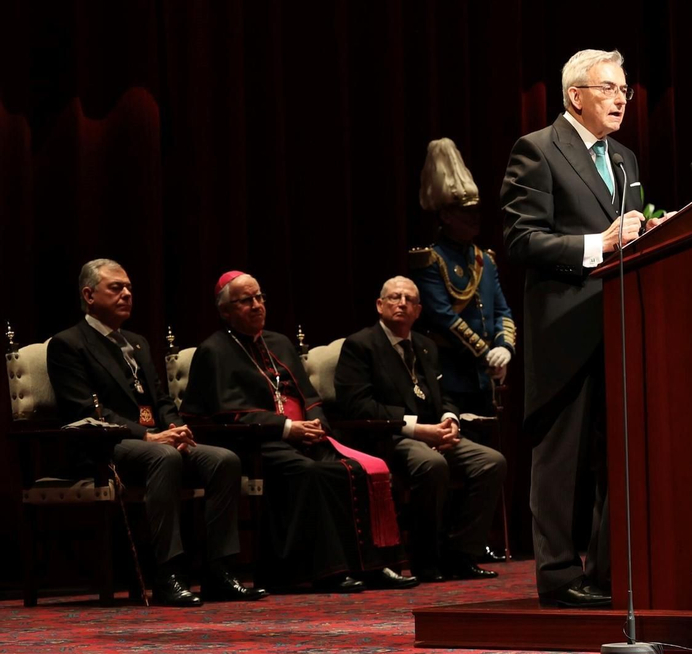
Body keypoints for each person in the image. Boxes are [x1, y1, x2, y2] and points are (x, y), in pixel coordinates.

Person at [500, 49, 671, 607]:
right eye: (609, 88)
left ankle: (607, 571)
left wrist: (654, 234)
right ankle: (556, 575)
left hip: (621, 328)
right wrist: (599, 244)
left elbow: (631, 232)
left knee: (616, 456)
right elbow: (522, 240)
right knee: (560, 461)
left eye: (624, 88)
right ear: (576, 95)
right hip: (564, 332)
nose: (621, 98)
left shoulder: (624, 157)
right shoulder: (538, 149)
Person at [46, 260, 265, 606]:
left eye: (129, 287)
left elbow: (160, 400)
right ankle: (168, 574)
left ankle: (219, 571)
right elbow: (86, 411)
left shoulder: (137, 342)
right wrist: (147, 437)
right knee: (163, 456)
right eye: (115, 288)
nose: (127, 294)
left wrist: (175, 427)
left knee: (223, 459)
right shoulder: (68, 344)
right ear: (89, 295)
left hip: (156, 442)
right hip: (105, 448)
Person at [183, 271, 421, 590]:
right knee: (313, 472)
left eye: (259, 298)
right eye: (246, 301)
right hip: (255, 442)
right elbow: (230, 413)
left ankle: (374, 566)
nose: (256, 306)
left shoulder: (279, 342)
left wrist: (317, 423)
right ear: (226, 311)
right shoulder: (214, 350)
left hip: (301, 436)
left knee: (360, 468)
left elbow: (309, 395)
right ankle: (323, 571)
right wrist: (288, 429)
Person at [333, 276, 507, 582]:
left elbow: (445, 396)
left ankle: (461, 554)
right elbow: (358, 405)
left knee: (491, 462)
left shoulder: (426, 346)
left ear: (418, 310)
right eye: (394, 297)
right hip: (389, 437)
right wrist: (417, 429)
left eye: (409, 300)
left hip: (435, 433)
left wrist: (450, 420)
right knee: (431, 464)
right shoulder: (361, 345)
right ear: (379, 305)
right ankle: (426, 558)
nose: (402, 303)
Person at [412, 137, 515, 418]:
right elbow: (444, 317)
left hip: (484, 377)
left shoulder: (485, 258)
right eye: (466, 212)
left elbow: (502, 310)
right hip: (449, 376)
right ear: (445, 214)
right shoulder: (430, 260)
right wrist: (486, 353)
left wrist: (504, 348)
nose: (476, 219)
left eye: (477, 211)